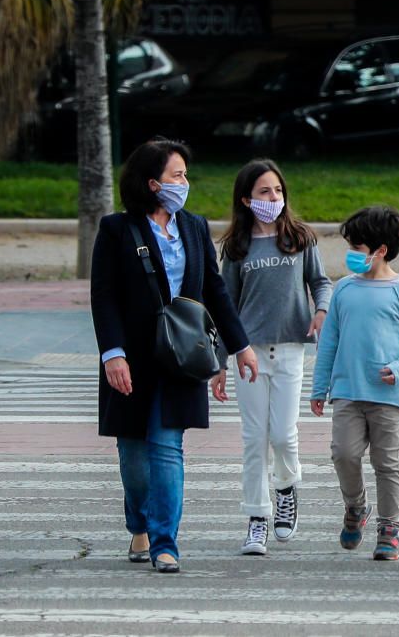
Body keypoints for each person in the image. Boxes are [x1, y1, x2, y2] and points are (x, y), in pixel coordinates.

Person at [90, 138, 259, 574]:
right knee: (134, 458)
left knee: (167, 448)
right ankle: (139, 525)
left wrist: (239, 345)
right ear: (152, 183)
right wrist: (112, 353)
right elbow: (103, 296)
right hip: (131, 356)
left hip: (182, 355)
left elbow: (215, 292)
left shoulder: (194, 226)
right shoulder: (116, 229)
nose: (184, 183)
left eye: (184, 174)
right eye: (176, 175)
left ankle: (166, 543)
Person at [211, 158, 332, 555]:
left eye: (278, 190)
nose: (273, 197)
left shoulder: (300, 237)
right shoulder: (237, 247)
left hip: (291, 350)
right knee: (253, 439)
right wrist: (219, 363)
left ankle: (286, 488)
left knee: (283, 434)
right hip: (249, 354)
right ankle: (257, 519)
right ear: (246, 199)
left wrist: (321, 310)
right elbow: (223, 305)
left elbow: (320, 282)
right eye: (264, 191)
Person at [309, 206, 399, 561]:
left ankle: (389, 528)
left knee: (387, 463)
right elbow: (329, 342)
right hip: (346, 393)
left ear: (381, 250)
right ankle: (356, 506)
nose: (351, 255)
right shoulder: (343, 290)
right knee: (344, 454)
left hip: (388, 396)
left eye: (357, 248)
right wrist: (319, 387)